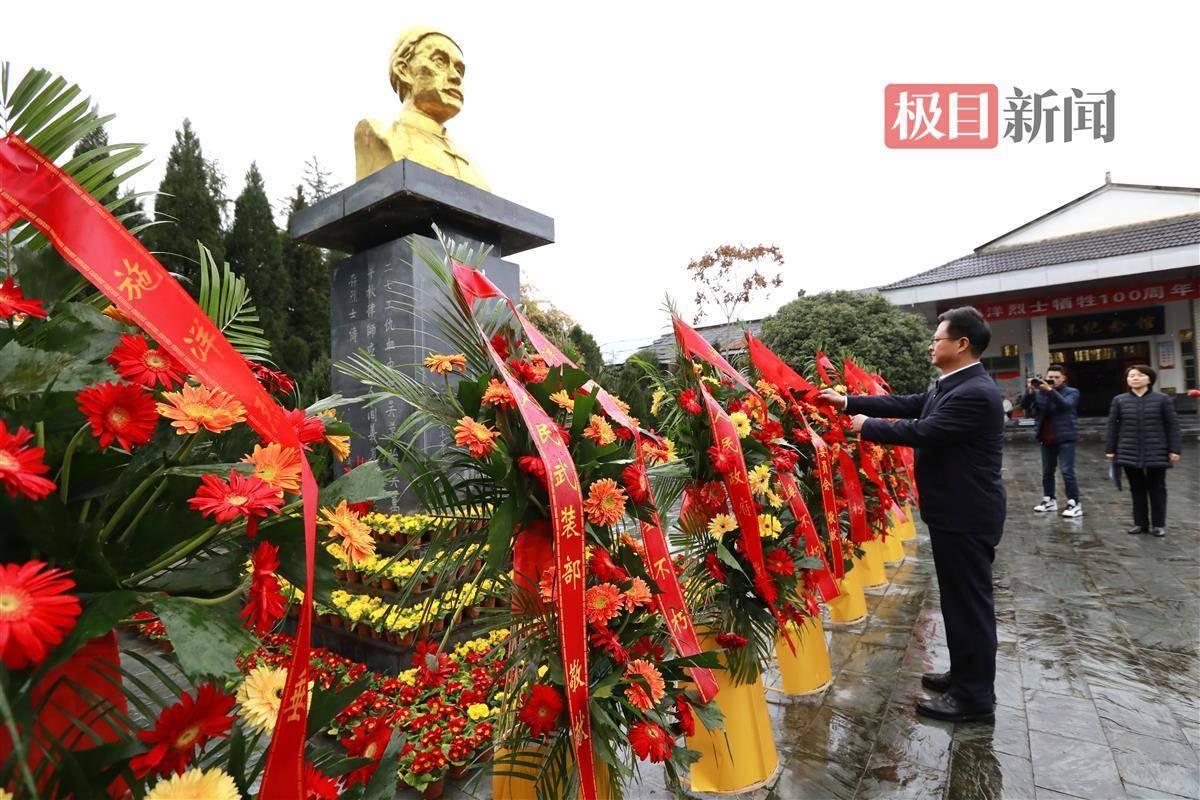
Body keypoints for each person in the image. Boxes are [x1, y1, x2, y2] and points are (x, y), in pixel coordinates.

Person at [820, 306, 1005, 724]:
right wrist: (848, 401)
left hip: (966, 514)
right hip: (953, 511)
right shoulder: (954, 384)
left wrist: (866, 426)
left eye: (937, 338)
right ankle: (965, 676)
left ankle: (974, 699)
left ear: (961, 344)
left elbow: (925, 430)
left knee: (969, 606)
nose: (931, 344)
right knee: (959, 604)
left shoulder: (975, 393)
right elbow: (910, 404)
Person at [354, 27, 490, 189]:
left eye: (459, 70)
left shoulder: (472, 169)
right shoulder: (380, 135)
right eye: (440, 62)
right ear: (403, 70)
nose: (456, 77)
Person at [1105, 364, 1182, 537]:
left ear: (1149, 378)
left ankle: (1159, 524)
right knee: (1136, 488)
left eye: (1139, 375)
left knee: (1157, 488)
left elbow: (1172, 426)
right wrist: (1111, 449)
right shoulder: (1119, 400)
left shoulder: (1162, 399)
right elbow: (1112, 426)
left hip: (1157, 450)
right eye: (1131, 375)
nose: (1135, 378)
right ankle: (1140, 523)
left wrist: (1174, 449)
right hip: (1128, 449)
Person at [1020, 365, 1082, 517]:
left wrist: (1050, 391)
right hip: (1046, 437)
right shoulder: (1040, 392)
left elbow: (1065, 405)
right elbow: (1024, 406)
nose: (1052, 380)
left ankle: (1074, 502)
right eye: (1050, 377)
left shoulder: (1072, 392)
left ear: (1063, 378)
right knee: (1047, 471)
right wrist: (1029, 392)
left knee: (1067, 471)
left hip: (1065, 437)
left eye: (1056, 377)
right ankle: (1049, 500)